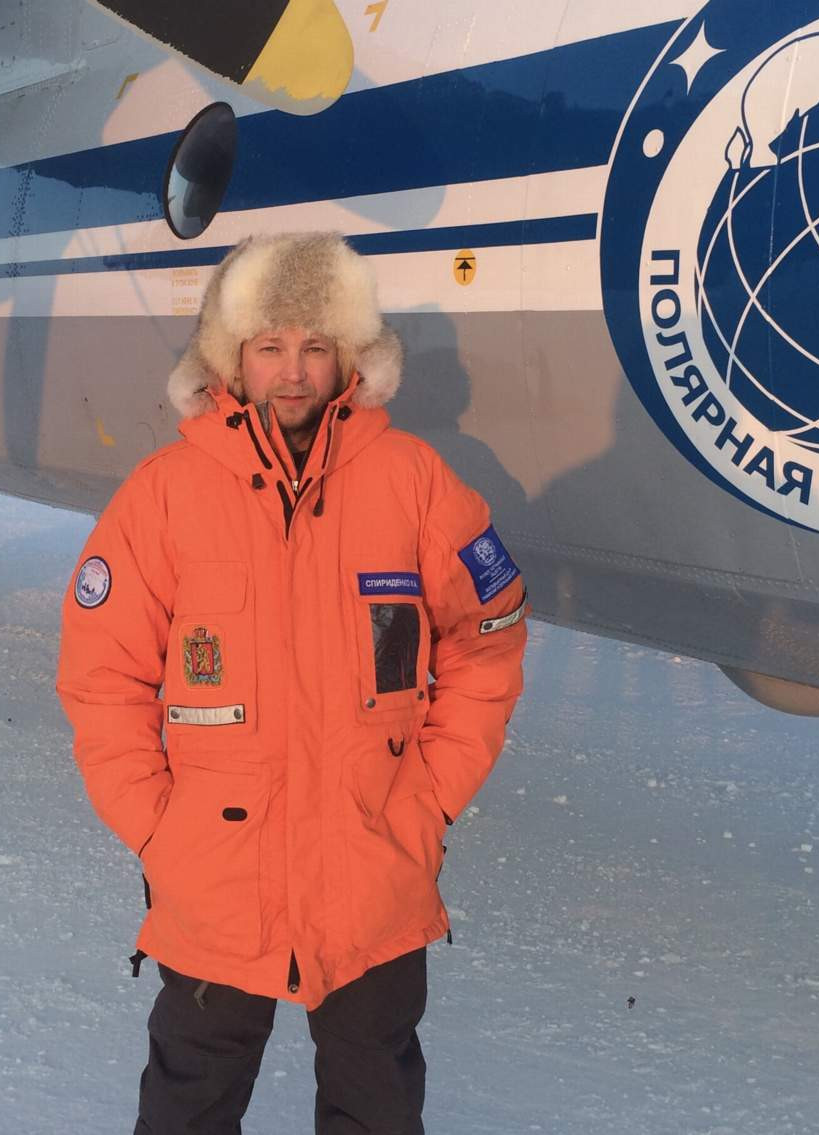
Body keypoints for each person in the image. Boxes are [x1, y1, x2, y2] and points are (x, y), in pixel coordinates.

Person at [55, 232, 528, 1134]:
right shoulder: (164, 493)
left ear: (350, 356)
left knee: (376, 1109)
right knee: (187, 1110)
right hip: (217, 886)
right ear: (230, 357)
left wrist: (428, 799)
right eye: (269, 345)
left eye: (316, 344)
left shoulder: (412, 481)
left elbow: (491, 631)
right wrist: (160, 830)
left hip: (372, 876)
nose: (294, 371)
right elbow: (101, 676)